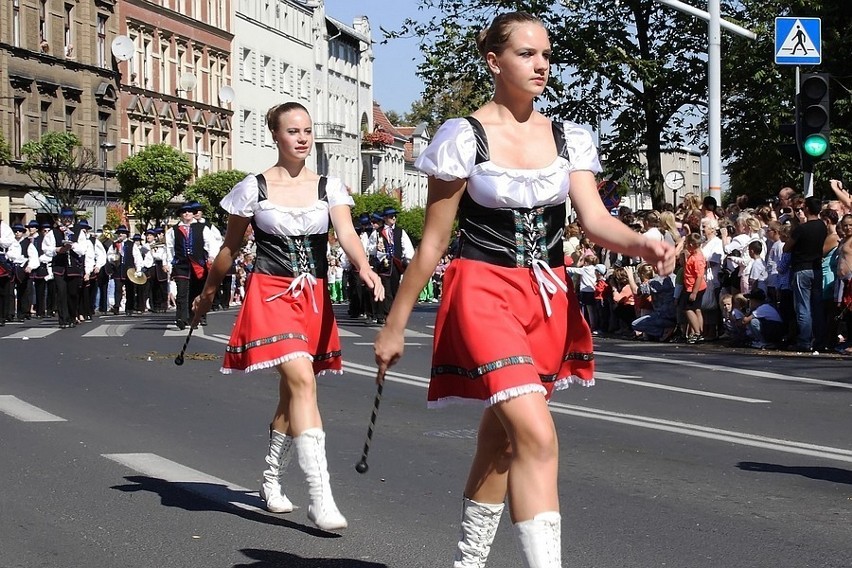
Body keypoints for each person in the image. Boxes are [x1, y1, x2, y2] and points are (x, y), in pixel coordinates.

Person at [373, 12, 674, 568]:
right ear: (494, 61)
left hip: (548, 298)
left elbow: (594, 220)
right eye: (527, 54)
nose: (542, 65)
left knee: (504, 443)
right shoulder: (461, 136)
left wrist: (641, 244)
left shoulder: (567, 136)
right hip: (482, 290)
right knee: (536, 433)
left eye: (546, 55)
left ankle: (467, 564)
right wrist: (395, 324)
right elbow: (434, 243)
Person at [190, 101, 384, 531]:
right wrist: (207, 292)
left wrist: (365, 267)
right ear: (275, 136)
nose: (302, 138)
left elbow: (347, 233)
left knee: (293, 393)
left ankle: (270, 477)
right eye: (293, 131)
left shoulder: (328, 187)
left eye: (307, 130)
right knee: (300, 379)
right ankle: (320, 496)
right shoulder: (252, 188)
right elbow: (230, 248)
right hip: (272, 293)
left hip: (312, 297)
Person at [784, 196, 827, 351]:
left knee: (803, 307)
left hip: (802, 268)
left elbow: (786, 247)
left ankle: (804, 341)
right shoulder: (823, 226)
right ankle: (820, 340)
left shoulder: (802, 229)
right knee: (817, 306)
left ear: (807, 209)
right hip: (816, 268)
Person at [166, 202, 218, 329]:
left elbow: (211, 242)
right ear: (180, 215)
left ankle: (194, 318)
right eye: (184, 212)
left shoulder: (202, 228)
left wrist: (212, 256)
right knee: (182, 292)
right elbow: (169, 248)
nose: (187, 214)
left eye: (189, 212)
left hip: (198, 265)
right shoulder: (173, 231)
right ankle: (181, 318)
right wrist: (167, 263)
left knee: (196, 292)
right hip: (181, 264)